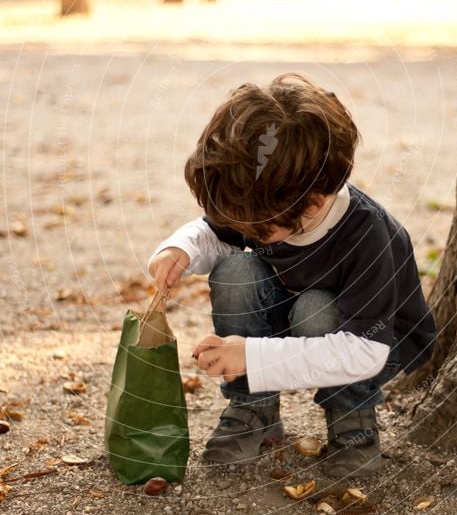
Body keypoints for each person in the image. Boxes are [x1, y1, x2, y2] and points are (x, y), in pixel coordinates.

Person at [148, 74, 436, 478]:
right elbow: (215, 233)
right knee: (235, 271)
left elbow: (364, 350)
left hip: (371, 344)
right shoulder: (269, 199)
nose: (243, 227)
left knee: (317, 310)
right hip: (296, 318)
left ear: (313, 203)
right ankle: (254, 411)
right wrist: (181, 248)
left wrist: (250, 354)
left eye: (254, 225)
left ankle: (352, 422)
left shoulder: (369, 235)